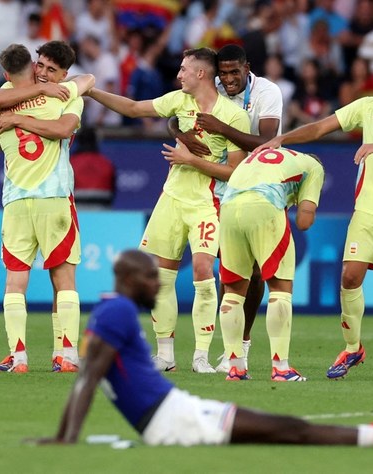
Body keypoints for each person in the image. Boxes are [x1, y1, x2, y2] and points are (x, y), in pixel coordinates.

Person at [27, 249, 373, 447]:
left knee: (287, 427)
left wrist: (63, 436)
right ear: (131, 280)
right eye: (151, 279)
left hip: (176, 412)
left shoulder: (107, 310)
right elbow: (88, 378)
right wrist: (65, 440)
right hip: (175, 423)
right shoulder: (118, 313)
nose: (158, 286)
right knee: (290, 431)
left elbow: (88, 378)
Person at [255, 45, 373, 383]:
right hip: (368, 210)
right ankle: (352, 347)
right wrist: (281, 140)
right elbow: (320, 127)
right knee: (349, 278)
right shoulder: (368, 106)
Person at [86, 47, 251, 374]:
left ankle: (201, 355)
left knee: (204, 272)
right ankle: (165, 355)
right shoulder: (180, 101)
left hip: (207, 203)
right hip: (172, 198)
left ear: (201, 74)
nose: (179, 75)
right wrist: (91, 92)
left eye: (184, 69)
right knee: (159, 277)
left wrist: (192, 160)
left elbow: (237, 171)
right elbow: (133, 108)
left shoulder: (233, 116)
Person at [167, 44, 283, 373]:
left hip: (260, 186)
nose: (229, 79)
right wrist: (180, 134)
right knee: (229, 268)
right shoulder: (210, 89)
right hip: (220, 186)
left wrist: (222, 129)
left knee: (258, 271)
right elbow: (173, 114)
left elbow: (267, 140)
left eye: (235, 72)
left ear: (248, 68)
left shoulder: (267, 92)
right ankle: (229, 349)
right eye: (224, 73)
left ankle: (242, 344)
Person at [0, 42, 95, 374]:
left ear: (7, 73)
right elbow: (66, 125)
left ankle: (17, 357)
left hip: (17, 202)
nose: (44, 73)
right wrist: (53, 91)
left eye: (51, 69)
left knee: (15, 283)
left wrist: (19, 116)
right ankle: (67, 355)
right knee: (64, 280)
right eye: (41, 67)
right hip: (55, 198)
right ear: (33, 66)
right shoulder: (64, 96)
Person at [218, 148, 325, 382]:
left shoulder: (268, 157)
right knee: (280, 288)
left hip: (227, 208)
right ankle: (281, 368)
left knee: (234, 291)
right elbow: (305, 221)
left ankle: (235, 367)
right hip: (264, 205)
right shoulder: (314, 167)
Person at [69, 126, 116, 209]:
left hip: (75, 208)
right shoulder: (107, 164)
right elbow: (112, 191)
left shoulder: (70, 163)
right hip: (102, 209)